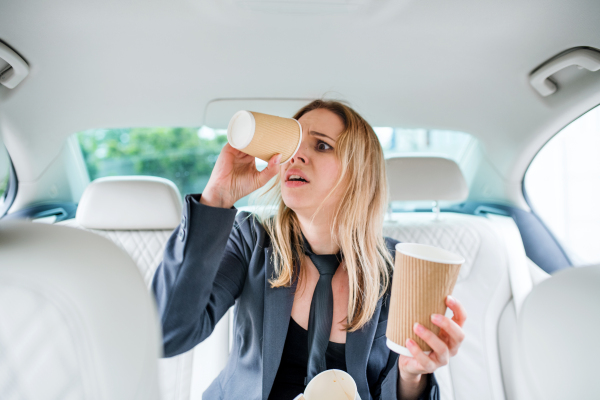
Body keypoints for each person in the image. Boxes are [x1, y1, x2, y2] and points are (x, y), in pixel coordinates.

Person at [152, 100, 467, 399]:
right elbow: (165, 333)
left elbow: (390, 387)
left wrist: (412, 376)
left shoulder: (397, 267)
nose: (295, 156)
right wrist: (217, 197)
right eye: (293, 145)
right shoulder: (251, 240)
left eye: (322, 145)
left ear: (359, 173)